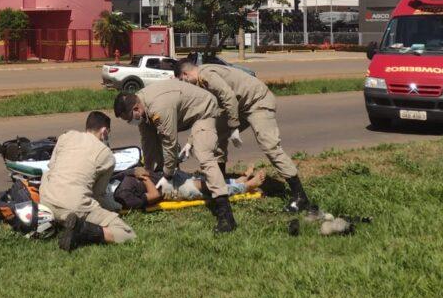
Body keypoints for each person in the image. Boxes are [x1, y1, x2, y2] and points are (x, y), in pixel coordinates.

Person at [177, 59, 312, 213]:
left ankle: (301, 197)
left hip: (257, 101)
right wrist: (190, 142)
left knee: (269, 145)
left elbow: (229, 97)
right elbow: (206, 116)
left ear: (185, 74)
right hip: (239, 105)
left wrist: (233, 126)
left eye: (183, 80)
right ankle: (220, 188)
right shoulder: (201, 83)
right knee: (216, 135)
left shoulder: (206, 75)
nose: (186, 84)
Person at [113, 80, 237, 233]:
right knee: (158, 150)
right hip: (184, 113)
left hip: (204, 111)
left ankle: (225, 212)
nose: (129, 122)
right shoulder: (141, 105)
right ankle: (178, 174)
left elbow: (169, 143)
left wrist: (167, 175)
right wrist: (147, 169)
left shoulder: (159, 107)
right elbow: (148, 141)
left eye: (128, 119)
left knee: (203, 154)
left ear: (136, 108)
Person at [40, 110, 136, 252]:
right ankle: (82, 229)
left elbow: (52, 168)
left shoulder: (66, 137)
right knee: (127, 234)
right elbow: (98, 196)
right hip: (73, 207)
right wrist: (117, 206)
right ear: (104, 131)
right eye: (108, 133)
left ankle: (63, 222)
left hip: (46, 200)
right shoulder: (107, 155)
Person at [113, 166, 264, 211]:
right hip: (169, 188)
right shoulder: (124, 197)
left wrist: (135, 171)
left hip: (169, 175)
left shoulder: (113, 179)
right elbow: (155, 195)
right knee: (204, 187)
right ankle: (246, 186)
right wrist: (144, 177)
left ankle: (237, 180)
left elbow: (130, 171)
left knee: (206, 180)